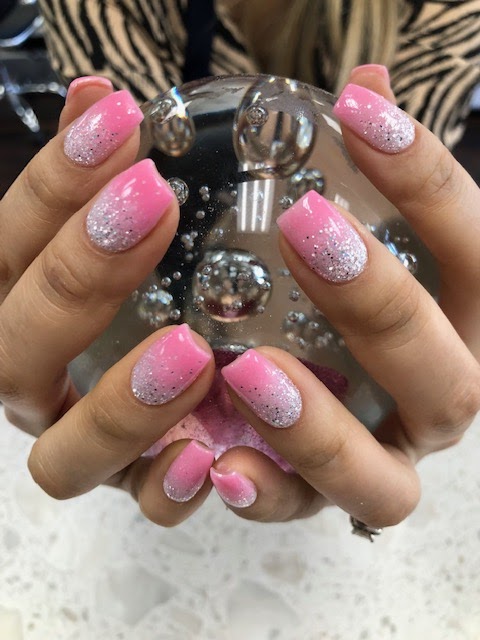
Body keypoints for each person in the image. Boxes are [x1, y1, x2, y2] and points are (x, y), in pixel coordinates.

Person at [0, 0, 479, 534]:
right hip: (150, 316)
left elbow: (391, 208)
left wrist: (401, 409)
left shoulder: (448, 12)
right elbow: (147, 167)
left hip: (309, 362)